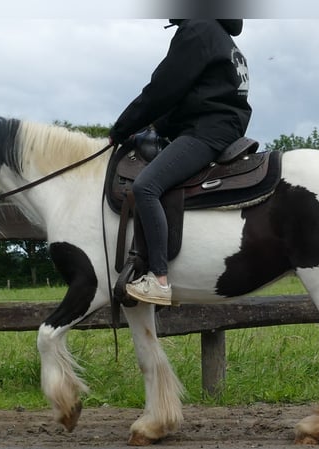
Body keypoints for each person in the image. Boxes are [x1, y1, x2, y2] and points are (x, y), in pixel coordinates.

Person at [109, 19, 252, 305]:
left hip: (207, 131)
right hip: (221, 125)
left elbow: (163, 89)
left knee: (146, 187)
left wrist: (120, 129)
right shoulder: (220, 35)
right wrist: (154, 128)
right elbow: (191, 96)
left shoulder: (198, 29)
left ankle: (159, 280)